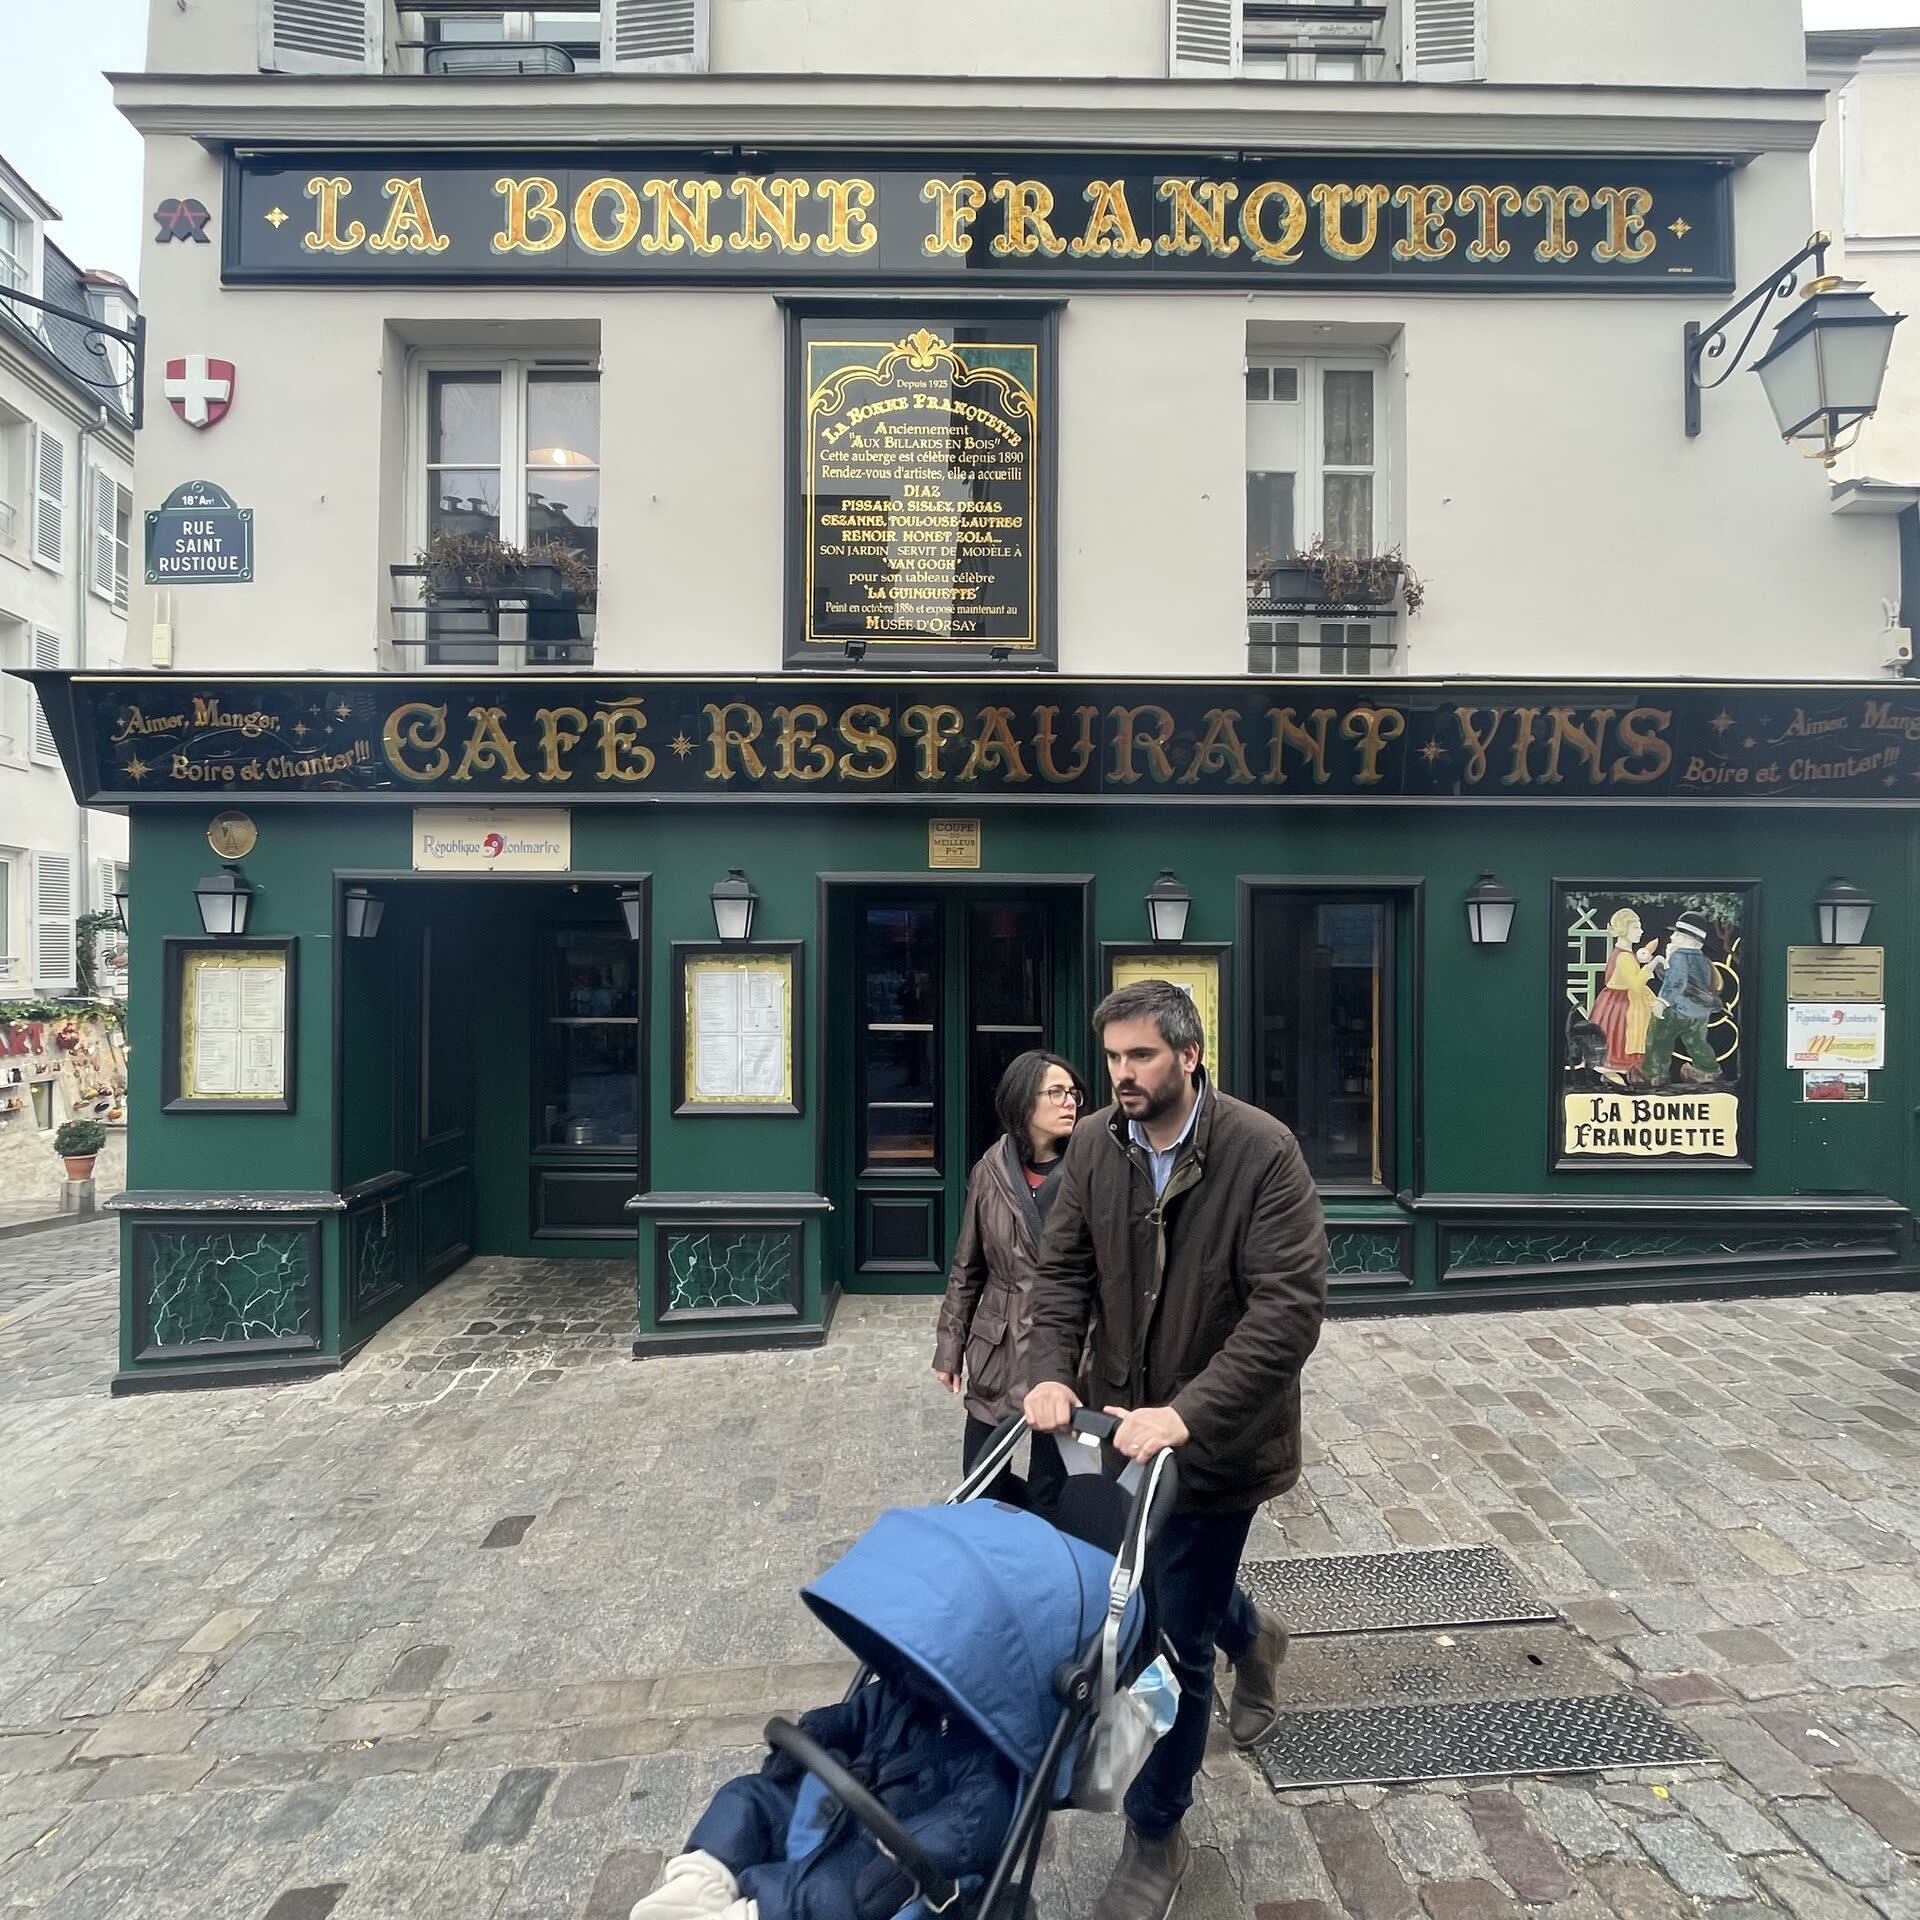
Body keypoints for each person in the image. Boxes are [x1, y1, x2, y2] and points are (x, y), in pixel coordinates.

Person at [1024, 978, 1328, 1920]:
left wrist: (1186, 1414)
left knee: (1168, 1638)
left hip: (1216, 1445)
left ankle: (1156, 1830)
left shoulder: (1263, 1152)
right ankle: (1258, 1635)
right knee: (1155, 1589)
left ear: (1190, 1055)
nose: (1121, 1074)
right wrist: (1050, 1371)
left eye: (1141, 1056)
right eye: (1112, 1057)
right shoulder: (1094, 1147)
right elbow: (1062, 1271)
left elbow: (1288, 1311)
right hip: (1119, 1430)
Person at [932, 1049, 1090, 1514]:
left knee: (1054, 1491)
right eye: (1056, 1092)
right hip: (998, 1347)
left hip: (1065, 1349)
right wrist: (949, 1346)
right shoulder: (990, 1171)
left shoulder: (1091, 1170)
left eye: (1073, 1093)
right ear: (1023, 1101)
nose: (1070, 1102)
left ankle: (1043, 1554)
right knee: (980, 1483)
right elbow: (968, 1267)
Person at [1644, 911, 1726, 1088]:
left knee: (1659, 1038)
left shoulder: (1679, 955)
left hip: (1678, 1010)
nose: (1672, 937)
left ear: (1690, 940)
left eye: (1678, 935)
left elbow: (1676, 981)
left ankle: (1654, 1073)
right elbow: (1682, 979)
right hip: (1700, 1013)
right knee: (1697, 1042)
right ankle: (1708, 1070)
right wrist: (1656, 962)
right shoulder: (1702, 959)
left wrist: (1662, 1001)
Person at [1587, 907, 1661, 1080]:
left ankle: (1616, 1077)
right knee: (1621, 1044)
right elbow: (1635, 985)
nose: (1641, 931)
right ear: (1623, 929)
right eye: (1636, 927)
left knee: (1614, 1046)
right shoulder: (1625, 956)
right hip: (1622, 1007)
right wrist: (1653, 963)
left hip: (1612, 1003)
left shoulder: (1624, 953)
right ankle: (1619, 1077)